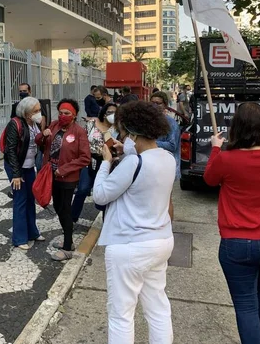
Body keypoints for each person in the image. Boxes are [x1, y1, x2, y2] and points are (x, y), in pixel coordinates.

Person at [204, 102, 260, 344]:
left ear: (236, 128)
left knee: (246, 306)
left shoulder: (227, 159)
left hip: (237, 243)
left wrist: (215, 148)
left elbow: (210, 179)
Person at [92, 101, 175, 344]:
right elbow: (142, 162)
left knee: (121, 314)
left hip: (129, 246)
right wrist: (126, 151)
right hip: (160, 241)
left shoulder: (133, 163)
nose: (122, 137)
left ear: (134, 134)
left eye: (124, 133)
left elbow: (101, 195)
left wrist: (106, 162)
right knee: (158, 307)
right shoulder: (167, 157)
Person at [37, 99, 91, 261]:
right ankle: (68, 241)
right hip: (51, 175)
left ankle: (68, 247)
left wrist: (64, 169)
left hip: (67, 178)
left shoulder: (79, 132)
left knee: (65, 210)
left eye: (66, 113)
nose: (62, 116)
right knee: (60, 209)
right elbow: (40, 144)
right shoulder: (53, 126)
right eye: (60, 113)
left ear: (74, 115)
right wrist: (42, 135)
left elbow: (85, 158)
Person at [2, 96, 45, 249]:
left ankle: (32, 232)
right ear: (26, 113)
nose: (39, 113)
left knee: (30, 199)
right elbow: (10, 150)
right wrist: (16, 174)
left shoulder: (35, 124)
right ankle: (19, 238)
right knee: (20, 199)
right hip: (17, 167)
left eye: (39, 110)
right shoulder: (15, 124)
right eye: (36, 111)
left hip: (29, 167)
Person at [72, 102, 118, 223]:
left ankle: (106, 221)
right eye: (110, 112)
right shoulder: (92, 123)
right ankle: (72, 218)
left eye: (115, 113)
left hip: (106, 162)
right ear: (104, 114)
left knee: (105, 192)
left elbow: (114, 146)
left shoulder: (116, 129)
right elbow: (81, 139)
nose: (112, 115)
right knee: (83, 189)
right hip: (89, 160)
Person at [151, 91, 180, 219]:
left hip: (166, 166)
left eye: (158, 103)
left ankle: (168, 229)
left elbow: (172, 145)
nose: (155, 106)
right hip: (150, 165)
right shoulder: (148, 122)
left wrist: (151, 143)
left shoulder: (171, 123)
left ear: (165, 105)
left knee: (166, 200)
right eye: (152, 103)